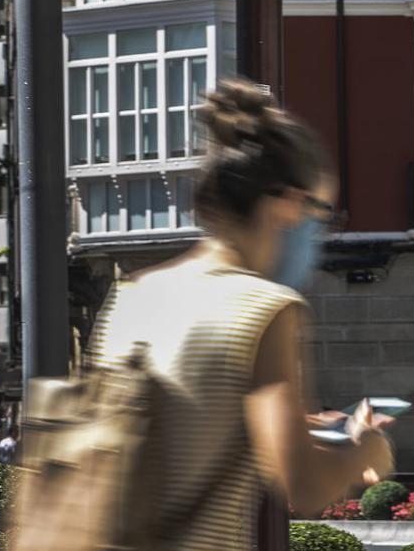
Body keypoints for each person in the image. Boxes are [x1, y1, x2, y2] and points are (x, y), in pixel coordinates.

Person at [86, 79, 393, 550]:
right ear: (284, 202)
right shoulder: (263, 308)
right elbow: (305, 487)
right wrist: (363, 449)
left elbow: (166, 429)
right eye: (318, 211)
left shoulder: (132, 295)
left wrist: (295, 422)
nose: (317, 230)